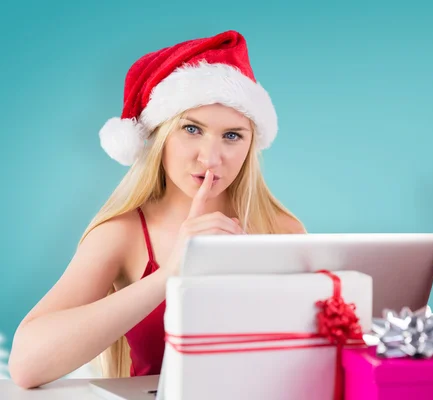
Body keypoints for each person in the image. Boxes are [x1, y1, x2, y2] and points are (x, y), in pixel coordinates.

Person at [8, 30, 305, 389]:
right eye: (192, 129)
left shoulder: (282, 230)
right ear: (158, 136)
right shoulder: (123, 234)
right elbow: (26, 365)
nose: (210, 158)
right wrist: (171, 273)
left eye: (232, 135)